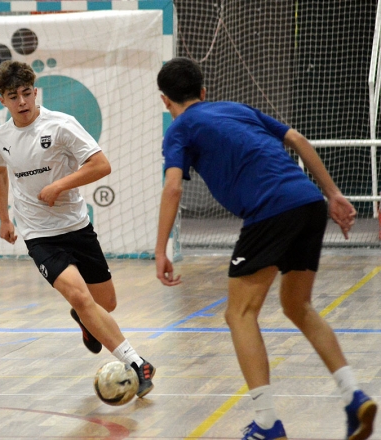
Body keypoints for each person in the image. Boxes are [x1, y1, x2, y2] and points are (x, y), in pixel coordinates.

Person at [154, 57, 376, 440]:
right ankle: (354, 396)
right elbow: (298, 140)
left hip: (270, 210)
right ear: (204, 92)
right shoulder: (236, 109)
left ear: (164, 101)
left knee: (239, 314)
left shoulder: (179, 129)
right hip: (308, 202)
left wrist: (160, 250)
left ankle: (268, 423)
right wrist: (334, 193)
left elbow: (173, 187)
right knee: (298, 306)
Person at [0, 60, 156, 398]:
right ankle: (138, 364)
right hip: (39, 235)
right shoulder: (0, 137)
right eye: (13, 96)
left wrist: (59, 186)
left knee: (103, 304)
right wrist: (5, 218)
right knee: (81, 297)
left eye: (26, 93)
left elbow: (101, 165)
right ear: (2, 101)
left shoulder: (62, 126)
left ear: (36, 93)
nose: (22, 102)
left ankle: (85, 320)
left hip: (76, 227)